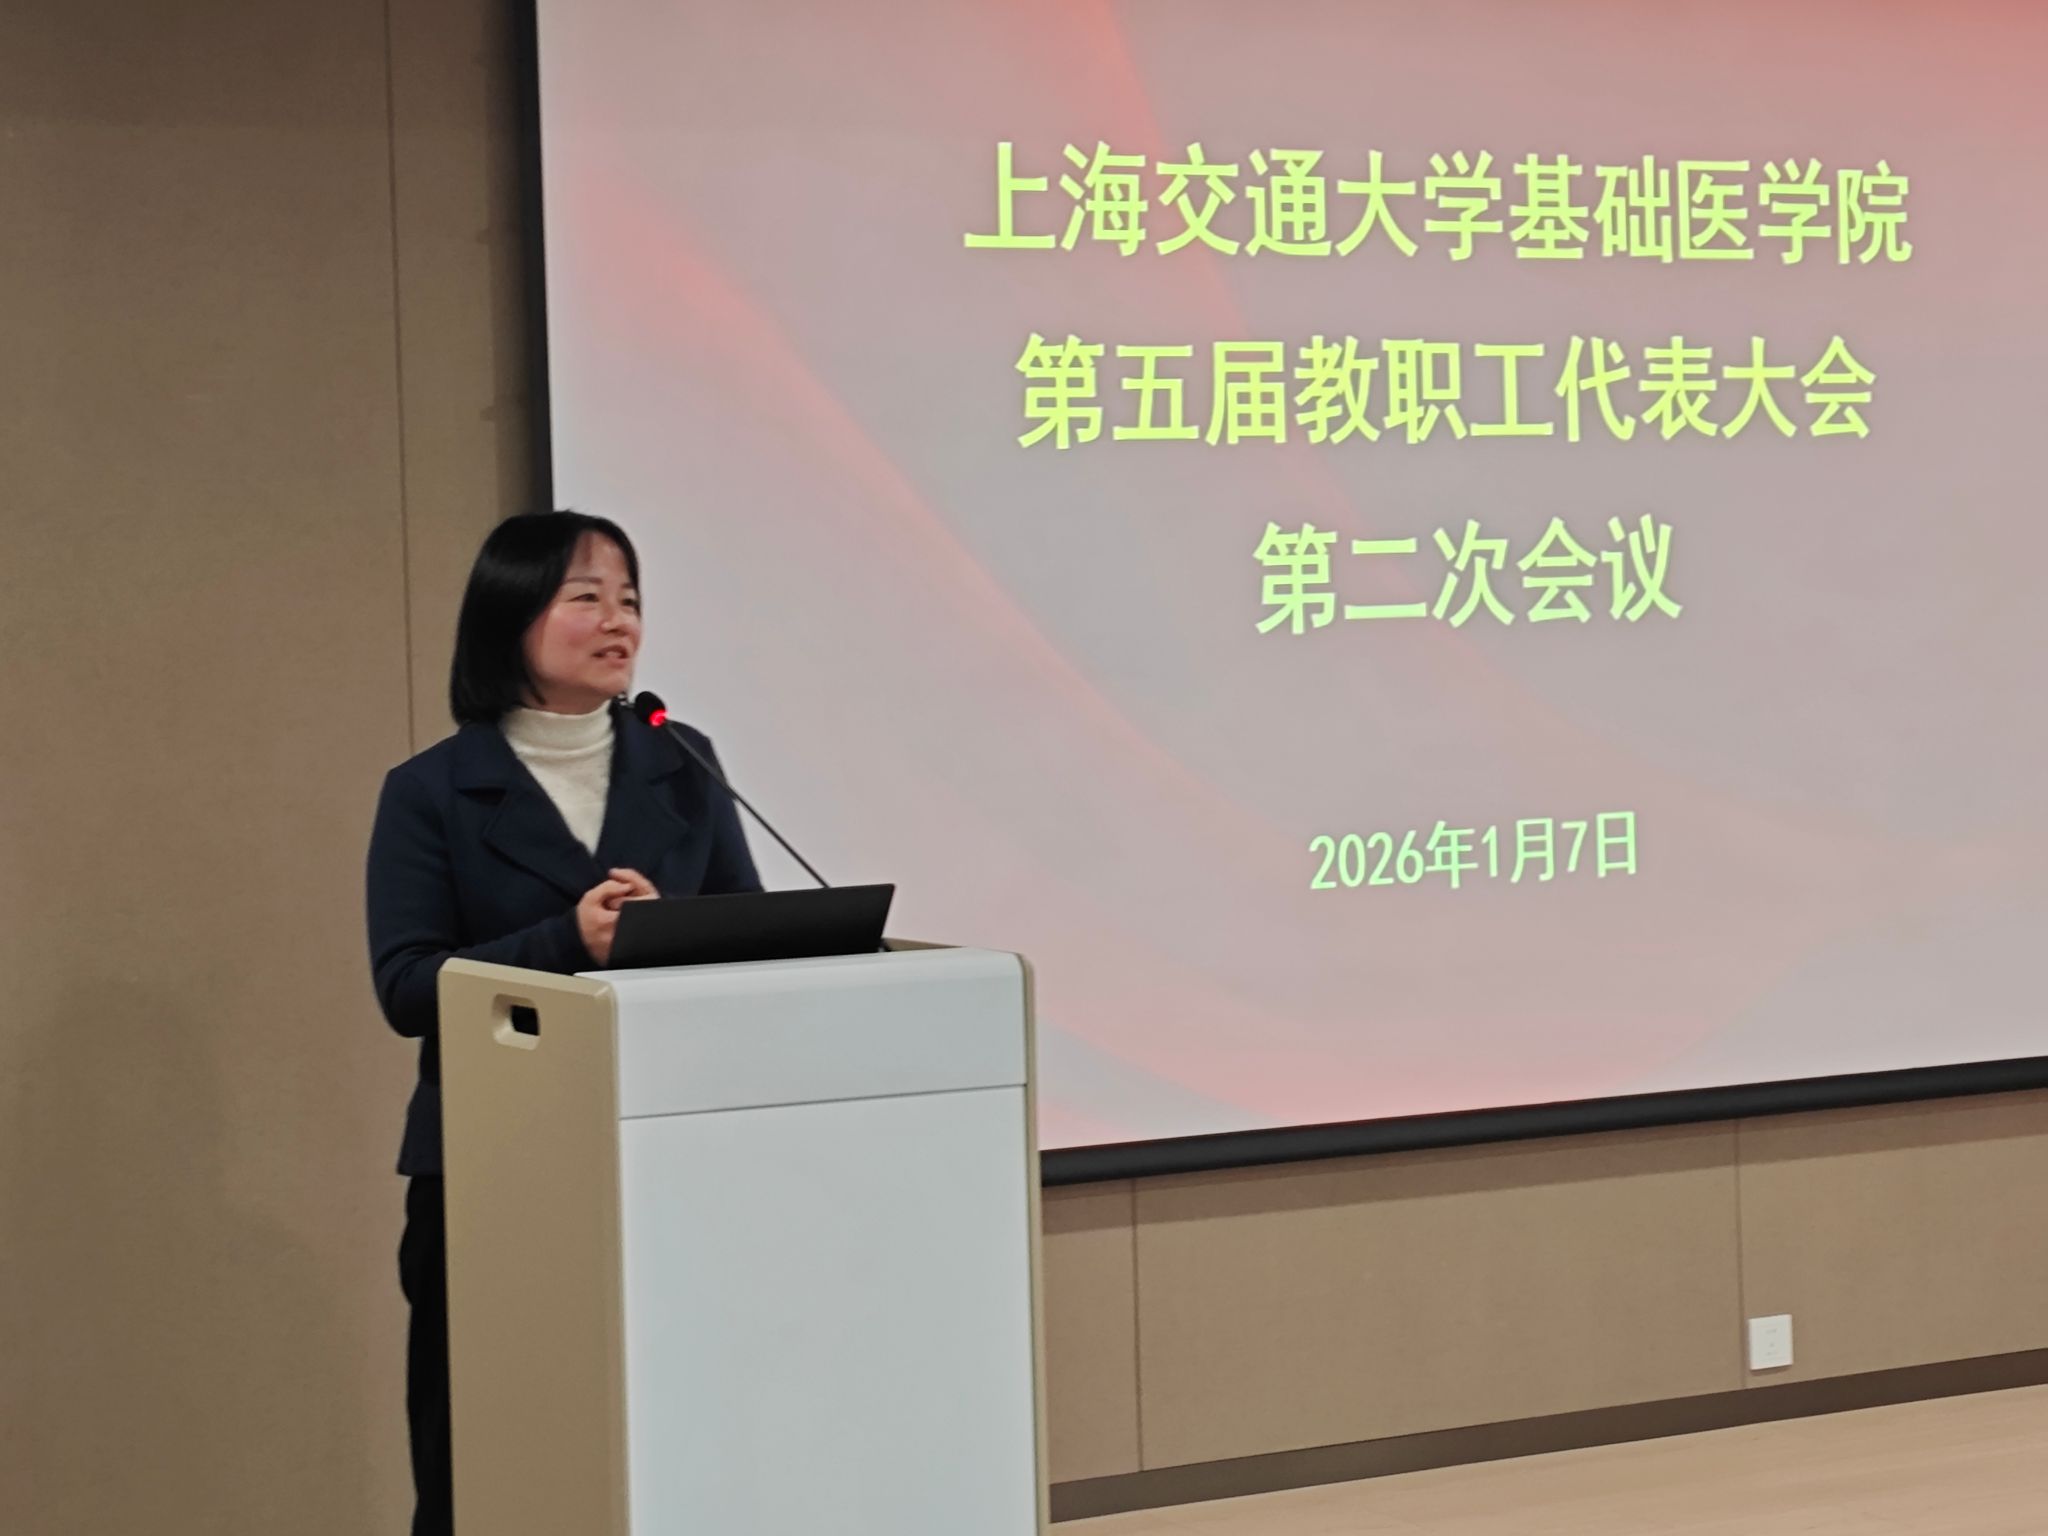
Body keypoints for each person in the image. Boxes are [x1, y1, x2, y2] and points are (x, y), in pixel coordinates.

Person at [365, 510, 760, 1534]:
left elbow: (752, 941)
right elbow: (407, 986)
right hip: (490, 1166)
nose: (618, 620)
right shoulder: (432, 792)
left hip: (665, 1151)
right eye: (586, 596)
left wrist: (669, 934)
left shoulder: (684, 761)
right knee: (483, 1451)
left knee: (668, 1438)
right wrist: (564, 942)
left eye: (629, 599)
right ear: (512, 617)